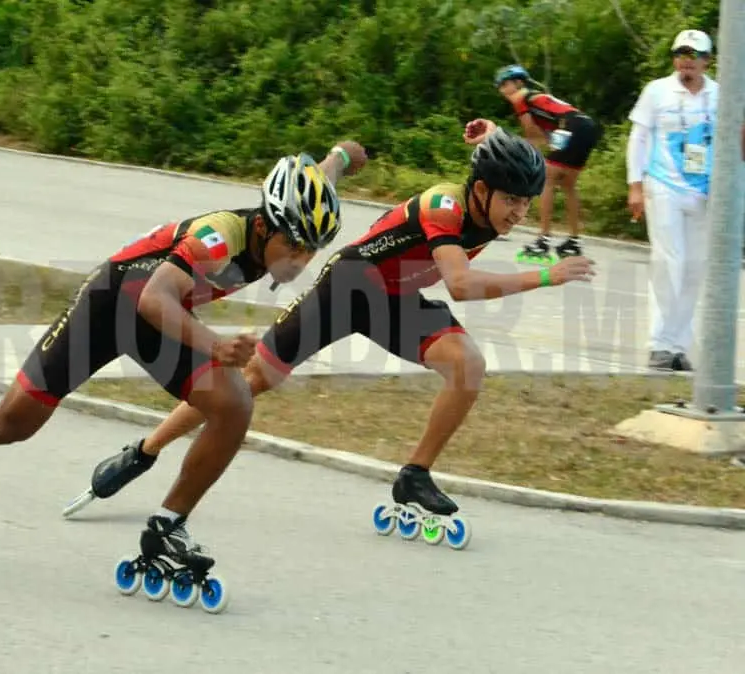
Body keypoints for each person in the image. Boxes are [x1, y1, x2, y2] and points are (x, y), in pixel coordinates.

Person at [0, 141, 368, 579]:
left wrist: (344, 155)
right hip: (114, 305)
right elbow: (152, 300)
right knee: (12, 423)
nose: (300, 260)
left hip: (162, 320)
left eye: (311, 250)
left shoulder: (293, 211)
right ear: (263, 226)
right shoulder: (218, 237)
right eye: (294, 246)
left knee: (234, 404)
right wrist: (214, 346)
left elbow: (321, 174)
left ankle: (165, 529)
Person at [63, 121, 596, 547]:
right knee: (249, 382)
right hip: (347, 288)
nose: (519, 214)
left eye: (526, 204)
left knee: (467, 365)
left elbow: (492, 167)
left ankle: (413, 475)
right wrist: (547, 274)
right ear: (481, 191)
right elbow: (459, 283)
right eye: (512, 202)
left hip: (395, 300)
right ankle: (146, 450)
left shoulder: (488, 199)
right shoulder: (445, 205)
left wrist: (487, 134)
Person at [626, 29, 719, 372]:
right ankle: (658, 344)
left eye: (694, 55)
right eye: (680, 53)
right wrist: (634, 185)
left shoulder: (720, 95)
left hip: (704, 193)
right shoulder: (657, 91)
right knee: (670, 262)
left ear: (707, 60)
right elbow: (638, 138)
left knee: (695, 267)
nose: (686, 61)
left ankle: (677, 345)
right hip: (663, 185)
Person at [493, 64, 603, 265]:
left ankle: (542, 241)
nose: (501, 89)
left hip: (571, 126)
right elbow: (543, 135)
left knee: (546, 179)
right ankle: (574, 241)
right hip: (586, 125)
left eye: (504, 84)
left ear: (518, 83)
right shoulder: (537, 97)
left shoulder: (521, 97)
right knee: (568, 185)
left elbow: (530, 132)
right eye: (499, 86)